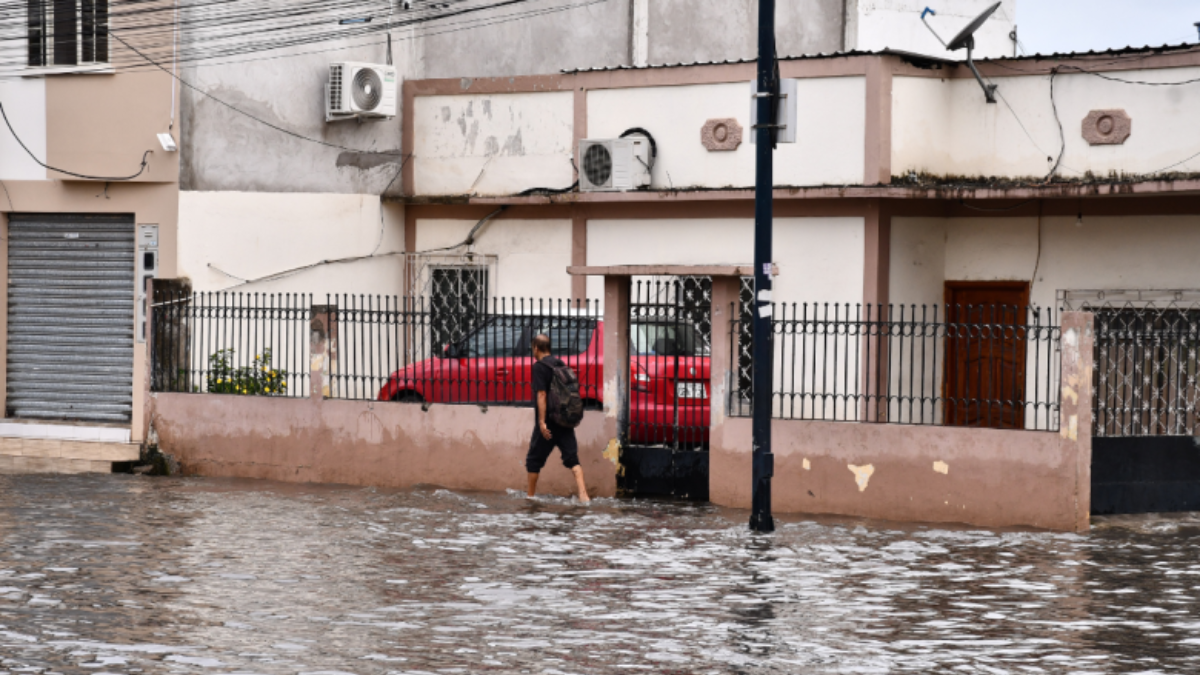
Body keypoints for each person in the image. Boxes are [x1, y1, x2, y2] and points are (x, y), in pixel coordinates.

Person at [526, 333, 590, 503]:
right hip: (564, 420)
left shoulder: (539, 367)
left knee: (533, 460)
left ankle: (530, 497)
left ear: (536, 348)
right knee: (572, 458)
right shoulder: (560, 364)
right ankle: (584, 495)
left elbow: (541, 394)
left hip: (548, 422)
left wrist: (541, 422)